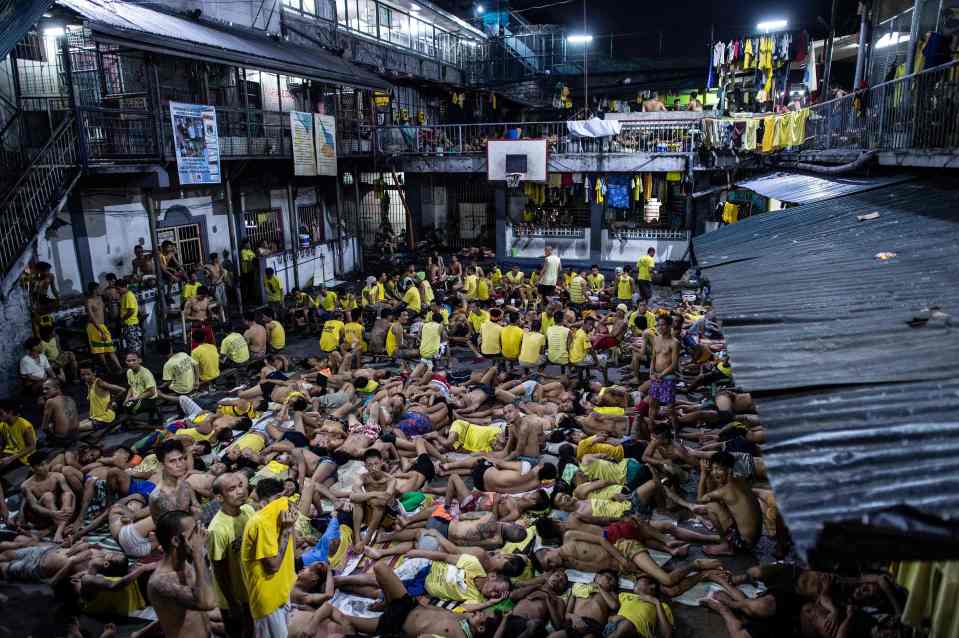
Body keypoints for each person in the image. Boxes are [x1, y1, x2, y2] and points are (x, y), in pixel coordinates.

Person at [241, 477, 298, 638]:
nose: (282, 504)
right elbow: (273, 566)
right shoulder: (260, 522)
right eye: (277, 500)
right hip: (268, 600)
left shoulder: (280, 518)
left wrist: (291, 527)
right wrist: (286, 531)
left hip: (282, 591)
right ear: (264, 504)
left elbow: (292, 553)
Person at [148, 510, 218, 638]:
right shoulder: (161, 581)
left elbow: (191, 612)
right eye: (194, 533)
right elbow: (207, 603)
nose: (200, 537)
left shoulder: (185, 564)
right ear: (175, 541)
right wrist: (198, 554)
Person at [208, 473, 255, 638]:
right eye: (232, 489)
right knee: (237, 633)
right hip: (232, 596)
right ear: (220, 497)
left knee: (252, 630)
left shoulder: (248, 510)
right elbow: (219, 570)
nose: (240, 491)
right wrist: (232, 602)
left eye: (240, 485)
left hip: (249, 588)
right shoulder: (217, 529)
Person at [20, 451, 75, 541]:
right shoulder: (26, 485)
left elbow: (72, 495)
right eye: (40, 465)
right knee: (48, 496)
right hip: (40, 516)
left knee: (67, 495)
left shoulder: (58, 476)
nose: (45, 467)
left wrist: (71, 511)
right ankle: (61, 529)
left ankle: (59, 531)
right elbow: (34, 506)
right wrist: (52, 513)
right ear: (33, 468)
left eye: (46, 464)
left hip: (59, 513)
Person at [647, 315, 679, 434]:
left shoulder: (674, 343)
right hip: (655, 376)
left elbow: (674, 365)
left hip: (668, 378)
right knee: (652, 405)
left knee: (670, 409)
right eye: (659, 325)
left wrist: (661, 375)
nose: (660, 327)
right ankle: (652, 431)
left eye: (663, 325)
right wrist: (651, 373)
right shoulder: (656, 339)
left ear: (670, 326)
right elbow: (653, 358)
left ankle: (676, 434)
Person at [85, 282, 121, 373]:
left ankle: (119, 367)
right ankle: (107, 369)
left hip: (102, 326)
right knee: (100, 350)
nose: (100, 290)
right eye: (99, 289)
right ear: (94, 290)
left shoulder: (100, 298)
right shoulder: (89, 301)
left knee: (110, 348)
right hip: (93, 327)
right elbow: (92, 318)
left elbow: (104, 312)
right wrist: (100, 330)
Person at [123, 351, 162, 426]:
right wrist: (126, 399)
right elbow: (131, 387)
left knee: (128, 407)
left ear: (139, 360)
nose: (131, 363)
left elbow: (152, 392)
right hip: (137, 397)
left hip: (149, 399)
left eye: (134, 360)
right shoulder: (129, 372)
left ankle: (152, 411)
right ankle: (130, 421)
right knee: (120, 404)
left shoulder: (145, 373)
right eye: (129, 361)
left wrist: (135, 398)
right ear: (126, 362)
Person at [40, 378, 79, 448]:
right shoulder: (70, 398)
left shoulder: (50, 401)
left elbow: (44, 427)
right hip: (75, 436)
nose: (44, 391)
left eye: (47, 389)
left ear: (57, 389)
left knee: (39, 441)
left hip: (62, 439)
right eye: (43, 389)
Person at [0, 399, 37, 470]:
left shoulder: (24, 425)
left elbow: (32, 446)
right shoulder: (2, 425)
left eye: (1, 414)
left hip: (22, 457)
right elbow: (2, 444)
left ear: (10, 412)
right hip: (9, 454)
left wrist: (11, 458)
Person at [158, 338, 198, 404]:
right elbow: (196, 364)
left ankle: (166, 397)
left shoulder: (168, 365)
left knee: (160, 391)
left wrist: (160, 387)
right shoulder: (183, 354)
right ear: (171, 348)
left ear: (160, 354)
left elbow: (168, 382)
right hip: (192, 385)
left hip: (183, 390)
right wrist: (196, 381)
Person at [116, 279, 143, 355]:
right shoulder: (124, 296)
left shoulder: (128, 295)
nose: (118, 291)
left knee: (134, 345)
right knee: (132, 344)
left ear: (123, 287)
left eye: (118, 289)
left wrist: (122, 319)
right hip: (129, 324)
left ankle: (137, 360)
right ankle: (136, 360)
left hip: (130, 324)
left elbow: (131, 311)